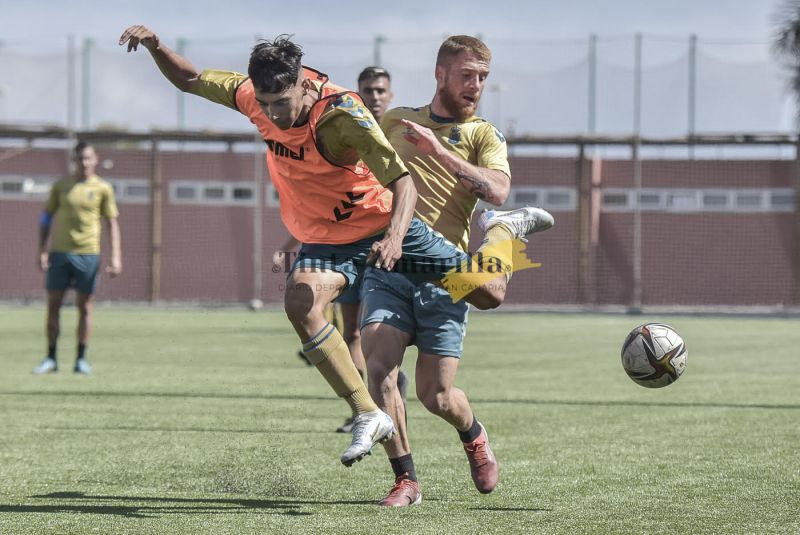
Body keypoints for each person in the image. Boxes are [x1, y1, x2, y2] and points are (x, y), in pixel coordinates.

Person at [118, 27, 535, 466]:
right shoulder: (255, 97)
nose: (273, 115)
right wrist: (157, 46)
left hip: (383, 228)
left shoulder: (342, 115)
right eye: (264, 104)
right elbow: (190, 78)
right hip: (328, 241)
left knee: (489, 294)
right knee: (301, 301)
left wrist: (395, 237)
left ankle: (504, 232)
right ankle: (368, 417)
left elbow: (403, 182)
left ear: (302, 84)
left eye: (282, 104)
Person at [359, 35, 554, 506]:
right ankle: (406, 480)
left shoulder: (484, 134)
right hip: (391, 268)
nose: (476, 85)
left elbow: (498, 190)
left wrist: (440, 153)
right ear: (440, 74)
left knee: (437, 396)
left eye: (483, 77)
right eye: (468, 75)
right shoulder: (395, 121)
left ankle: (474, 435)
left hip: (447, 276)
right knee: (380, 371)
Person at [33, 141, 123, 375]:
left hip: (88, 255)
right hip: (60, 254)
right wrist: (42, 249)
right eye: (79, 158)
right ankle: (50, 357)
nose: (84, 162)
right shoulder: (61, 187)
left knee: (85, 307)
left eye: (88, 158)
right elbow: (46, 218)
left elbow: (112, 222)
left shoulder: (103, 188)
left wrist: (116, 256)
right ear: (73, 160)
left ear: (95, 160)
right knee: (54, 305)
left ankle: (81, 359)